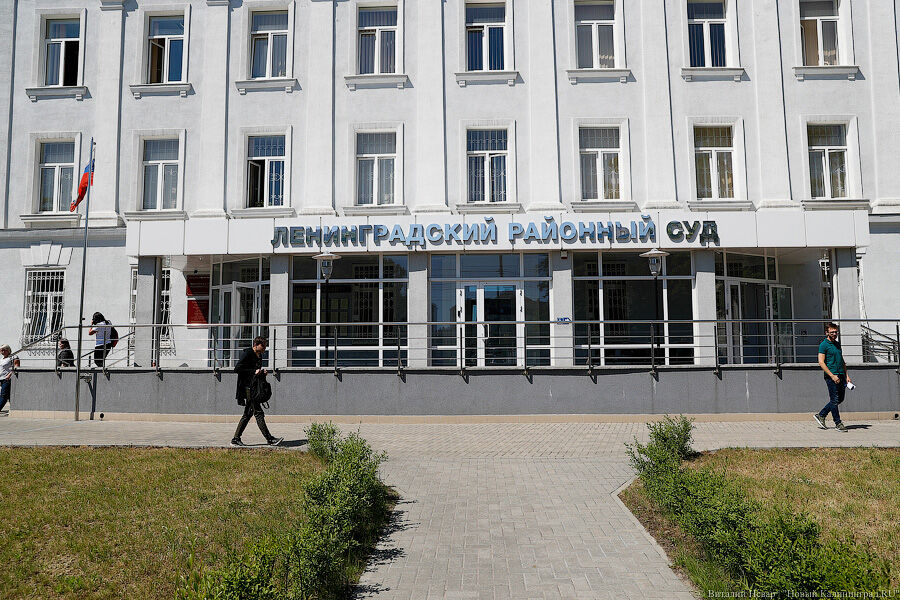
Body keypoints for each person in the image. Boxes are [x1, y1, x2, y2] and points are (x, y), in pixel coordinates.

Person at [231, 336, 282, 447]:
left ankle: (235, 439)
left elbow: (256, 372)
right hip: (248, 388)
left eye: (265, 346)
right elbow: (237, 369)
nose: (264, 348)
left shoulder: (259, 355)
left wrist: (262, 373)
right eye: (263, 346)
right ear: (256, 345)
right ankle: (269, 439)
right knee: (258, 414)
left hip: (254, 387)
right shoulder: (247, 353)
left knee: (247, 414)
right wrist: (254, 371)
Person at [814, 322, 851, 432]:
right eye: (832, 332)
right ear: (827, 333)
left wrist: (847, 375)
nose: (834, 334)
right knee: (834, 400)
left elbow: (842, 360)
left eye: (836, 332)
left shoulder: (837, 344)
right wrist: (832, 376)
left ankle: (821, 415)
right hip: (831, 376)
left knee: (840, 399)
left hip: (841, 375)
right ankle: (838, 423)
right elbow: (821, 362)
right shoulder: (823, 345)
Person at [0, 344, 21, 414]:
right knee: (9, 395)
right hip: (1, 379)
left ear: (8, 350)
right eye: (1, 350)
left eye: (4, 350)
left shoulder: (13, 357)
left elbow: (16, 367)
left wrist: (9, 375)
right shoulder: (2, 359)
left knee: (3, 395)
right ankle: (16, 409)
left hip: (7, 379)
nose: (2, 352)